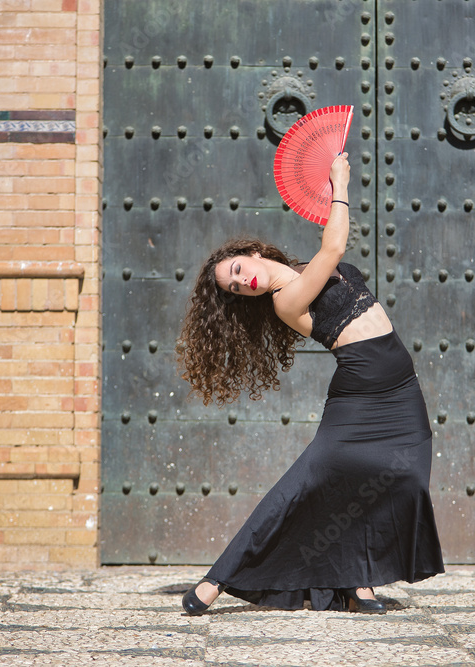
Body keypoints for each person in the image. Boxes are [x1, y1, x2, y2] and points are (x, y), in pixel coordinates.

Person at [176, 153, 444, 615]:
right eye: (235, 288)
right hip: (359, 395)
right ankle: (216, 580)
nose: (244, 282)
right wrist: (341, 180)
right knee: (305, 484)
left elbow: (327, 253)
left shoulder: (300, 268)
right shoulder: (285, 300)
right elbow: (335, 247)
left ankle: (360, 582)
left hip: (401, 387)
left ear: (252, 253)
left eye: (238, 270)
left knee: (407, 478)